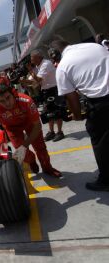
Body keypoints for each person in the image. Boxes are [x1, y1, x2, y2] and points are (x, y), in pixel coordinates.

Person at [50, 40, 109, 191]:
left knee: (100, 140)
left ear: (56, 55)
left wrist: (77, 116)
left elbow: (72, 98)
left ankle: (106, 180)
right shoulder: (94, 46)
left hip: (101, 102)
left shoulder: (63, 67)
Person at [0, 84, 61, 177]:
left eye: (8, 98)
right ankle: (31, 160)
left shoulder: (26, 100)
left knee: (40, 148)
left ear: (13, 94)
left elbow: (37, 126)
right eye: (2, 101)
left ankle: (47, 168)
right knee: (21, 153)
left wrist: (25, 145)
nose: (7, 103)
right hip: (12, 128)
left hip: (30, 124)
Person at [27, 49, 65, 142]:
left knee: (56, 111)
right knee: (48, 112)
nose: (31, 60)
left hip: (53, 89)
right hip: (46, 91)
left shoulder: (45, 64)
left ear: (38, 57)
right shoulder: (37, 66)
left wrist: (30, 70)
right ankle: (51, 132)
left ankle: (60, 132)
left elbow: (38, 80)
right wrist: (21, 81)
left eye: (32, 58)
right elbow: (32, 82)